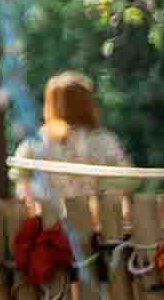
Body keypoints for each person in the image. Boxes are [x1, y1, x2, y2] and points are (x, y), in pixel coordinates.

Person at [17, 71, 130, 204]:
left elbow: (22, 187)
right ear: (87, 103)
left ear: (51, 104)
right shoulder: (105, 141)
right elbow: (125, 182)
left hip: (50, 221)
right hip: (97, 221)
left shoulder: (34, 142)